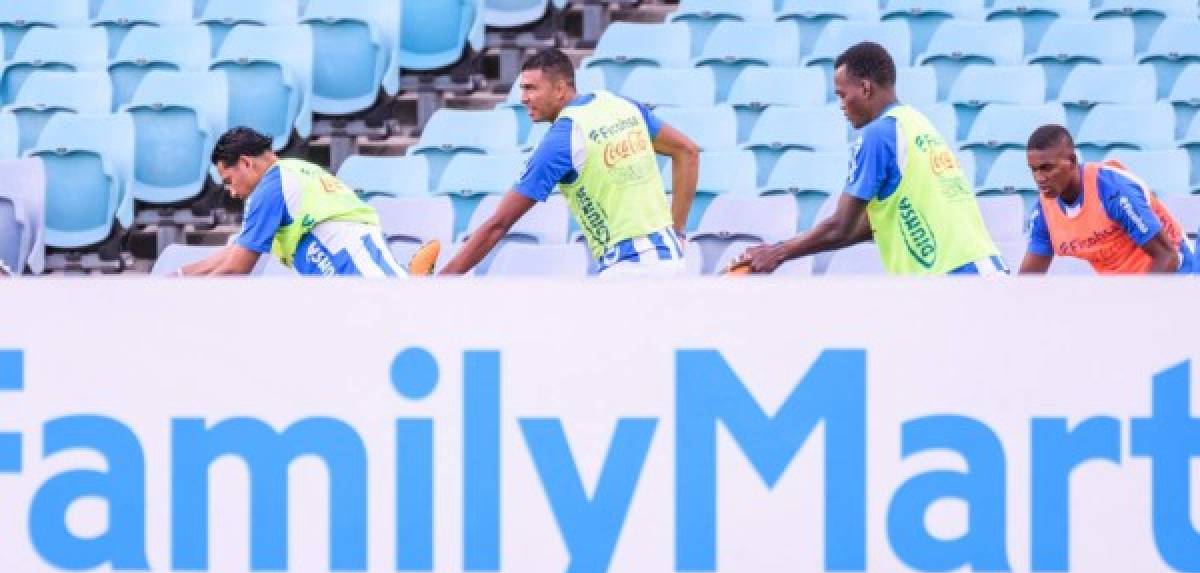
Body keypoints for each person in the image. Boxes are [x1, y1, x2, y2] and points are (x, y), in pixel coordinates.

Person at [734, 42, 1005, 275]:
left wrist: (779, 252)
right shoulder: (915, 122)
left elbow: (841, 226)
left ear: (864, 88)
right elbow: (866, 226)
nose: (841, 105)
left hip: (956, 275)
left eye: (842, 94)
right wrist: (776, 251)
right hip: (972, 269)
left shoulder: (877, 134)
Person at [439, 48, 700, 277]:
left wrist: (440, 282)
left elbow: (498, 224)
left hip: (631, 268)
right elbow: (687, 152)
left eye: (531, 88)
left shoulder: (563, 140)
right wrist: (676, 233)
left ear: (560, 89)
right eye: (522, 89)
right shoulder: (620, 104)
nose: (523, 98)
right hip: (670, 260)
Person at [180, 127, 405, 277]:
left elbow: (237, 267)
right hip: (345, 274)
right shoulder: (288, 175)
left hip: (358, 269)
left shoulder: (272, 187)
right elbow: (234, 252)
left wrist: (180, 294)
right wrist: (180, 276)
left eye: (228, 181)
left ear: (246, 163)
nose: (230, 192)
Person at [1019, 124, 1195, 274]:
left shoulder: (1113, 191)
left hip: (1179, 277)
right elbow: (1028, 280)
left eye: (1047, 168)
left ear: (1072, 161)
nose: (1039, 178)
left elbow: (1168, 257)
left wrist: (1136, 305)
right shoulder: (1044, 211)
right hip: (1120, 293)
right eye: (1033, 169)